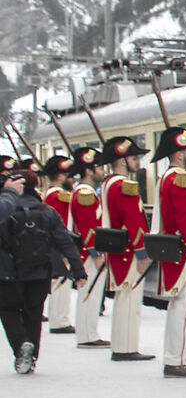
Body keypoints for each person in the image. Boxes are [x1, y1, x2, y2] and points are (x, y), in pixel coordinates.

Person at [0, 156, 83, 373]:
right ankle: (32, 356)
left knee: (8, 310)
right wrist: (78, 269)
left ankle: (20, 348)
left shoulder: (5, 210)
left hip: (7, 273)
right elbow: (64, 241)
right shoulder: (47, 211)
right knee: (34, 313)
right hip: (39, 271)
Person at [150, 125, 186, 379]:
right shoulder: (182, 179)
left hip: (173, 250)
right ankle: (179, 359)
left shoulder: (166, 177)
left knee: (179, 306)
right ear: (178, 155)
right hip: (184, 254)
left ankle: (176, 357)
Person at [96, 135, 152, 364]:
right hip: (128, 251)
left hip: (116, 249)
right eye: (133, 157)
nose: (137, 161)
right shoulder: (123, 185)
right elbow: (134, 221)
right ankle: (125, 347)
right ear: (121, 160)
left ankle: (122, 345)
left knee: (122, 298)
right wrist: (142, 252)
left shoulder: (108, 183)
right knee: (129, 300)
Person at [69, 146, 108, 348]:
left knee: (90, 293)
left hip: (85, 253)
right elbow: (88, 228)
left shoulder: (83, 191)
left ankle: (88, 333)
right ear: (88, 171)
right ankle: (87, 336)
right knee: (90, 293)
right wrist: (97, 252)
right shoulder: (85, 193)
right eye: (99, 167)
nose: (103, 171)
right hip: (88, 254)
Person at [40, 153, 78, 337]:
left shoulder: (48, 193)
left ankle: (58, 318)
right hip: (58, 245)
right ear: (60, 176)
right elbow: (61, 223)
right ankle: (59, 320)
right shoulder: (59, 196)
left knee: (57, 282)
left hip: (51, 245)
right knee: (61, 283)